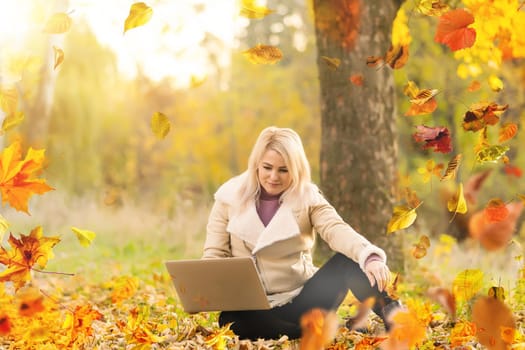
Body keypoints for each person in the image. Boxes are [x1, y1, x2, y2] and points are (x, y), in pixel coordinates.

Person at [202, 126, 401, 340]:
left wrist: (369, 257)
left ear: (296, 169)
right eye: (267, 167)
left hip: (302, 299)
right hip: (254, 307)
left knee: (348, 261)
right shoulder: (228, 199)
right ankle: (304, 331)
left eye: (283, 170)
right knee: (231, 319)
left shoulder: (308, 197)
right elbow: (214, 254)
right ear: (256, 165)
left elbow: (336, 229)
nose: (273, 177)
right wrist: (204, 292)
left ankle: (395, 316)